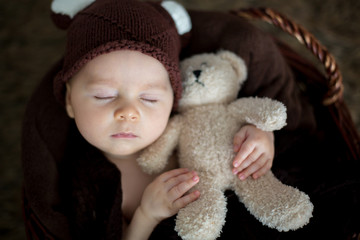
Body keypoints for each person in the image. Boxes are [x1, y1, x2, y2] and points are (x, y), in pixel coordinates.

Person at [22, 0, 277, 239]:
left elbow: (240, 137)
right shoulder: (86, 182)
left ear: (172, 103)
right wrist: (146, 215)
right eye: (103, 95)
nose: (128, 112)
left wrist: (261, 137)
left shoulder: (193, 123)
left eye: (150, 99)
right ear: (69, 101)